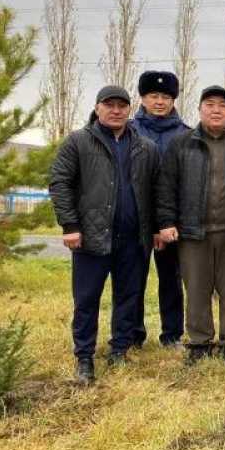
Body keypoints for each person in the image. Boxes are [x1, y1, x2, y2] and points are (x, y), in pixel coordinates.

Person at [48, 85, 160, 383]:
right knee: (86, 299)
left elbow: (157, 191)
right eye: (109, 104)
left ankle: (120, 349)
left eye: (121, 105)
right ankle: (84, 356)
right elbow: (59, 183)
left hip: (134, 240)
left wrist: (158, 228)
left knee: (128, 297)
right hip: (91, 238)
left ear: (130, 109)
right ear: (97, 108)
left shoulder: (145, 147)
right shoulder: (78, 142)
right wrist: (70, 226)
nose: (116, 110)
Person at [157, 85, 225, 365]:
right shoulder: (181, 143)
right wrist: (166, 222)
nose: (216, 110)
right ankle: (200, 342)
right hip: (192, 232)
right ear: (200, 109)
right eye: (210, 104)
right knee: (197, 290)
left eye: (222, 105)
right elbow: (167, 186)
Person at [130, 70, 191, 349]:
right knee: (133, 280)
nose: (159, 102)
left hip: (172, 223)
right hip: (135, 221)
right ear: (142, 98)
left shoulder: (187, 135)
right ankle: (132, 333)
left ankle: (172, 334)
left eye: (165, 97)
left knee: (171, 280)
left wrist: (167, 223)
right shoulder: (128, 131)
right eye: (153, 96)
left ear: (174, 100)